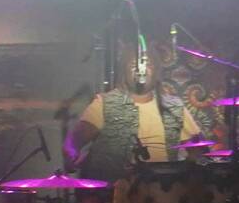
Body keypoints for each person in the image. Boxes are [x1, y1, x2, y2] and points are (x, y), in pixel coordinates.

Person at [66, 27, 206, 179]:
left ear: (156, 71)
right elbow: (74, 141)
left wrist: (190, 174)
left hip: (164, 186)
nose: (141, 71)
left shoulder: (174, 106)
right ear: (124, 72)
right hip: (117, 186)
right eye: (134, 65)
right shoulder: (104, 104)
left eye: (148, 65)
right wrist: (72, 154)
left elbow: (197, 149)